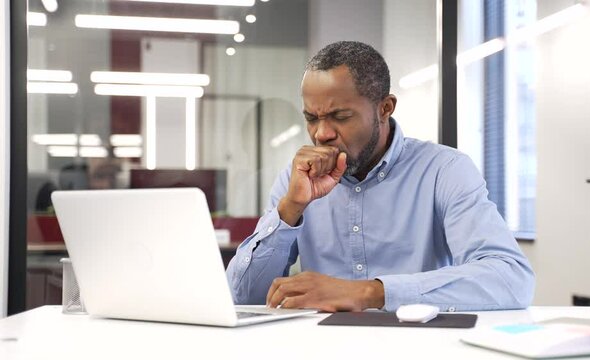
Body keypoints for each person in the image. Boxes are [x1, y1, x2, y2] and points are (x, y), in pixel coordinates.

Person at [226, 41, 535, 313]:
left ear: (385, 108)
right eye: (311, 118)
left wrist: (369, 292)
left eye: (340, 116)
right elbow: (242, 297)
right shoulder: (295, 182)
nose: (322, 133)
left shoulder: (444, 170)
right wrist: (290, 210)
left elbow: (510, 279)